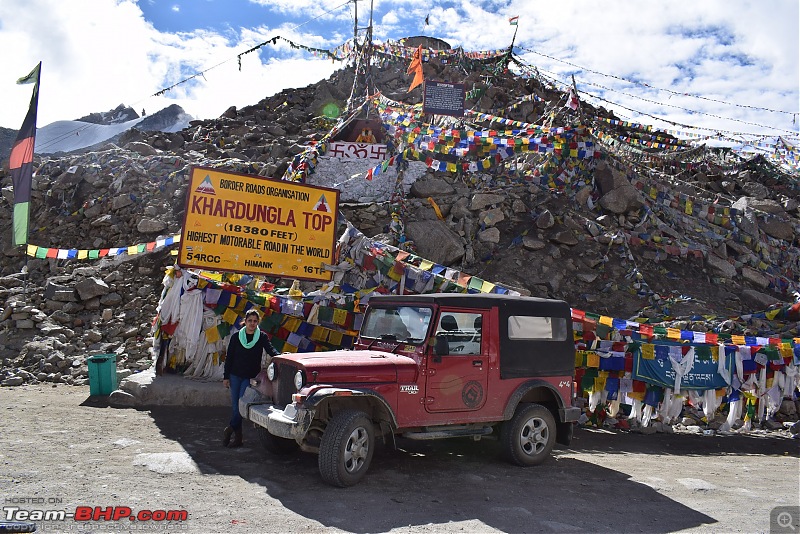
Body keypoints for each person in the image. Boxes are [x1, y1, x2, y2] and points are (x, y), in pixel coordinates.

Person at [222, 309, 279, 448]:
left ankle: (230, 429)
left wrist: (282, 356)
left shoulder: (262, 337)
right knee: (236, 406)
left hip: (250, 377)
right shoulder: (236, 337)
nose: (252, 324)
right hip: (235, 375)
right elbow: (229, 358)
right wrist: (225, 377)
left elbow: (271, 350)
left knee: (242, 406)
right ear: (245, 322)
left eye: (255, 321)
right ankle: (238, 438)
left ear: (258, 323)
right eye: (250, 321)